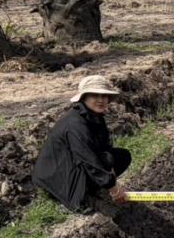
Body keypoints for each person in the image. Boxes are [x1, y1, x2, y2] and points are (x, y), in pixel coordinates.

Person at [33, 75, 132, 214]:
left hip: (74, 162)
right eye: (94, 95)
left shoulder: (95, 117)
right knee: (91, 172)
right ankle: (82, 197)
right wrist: (114, 189)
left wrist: (113, 180)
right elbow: (88, 159)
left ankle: (95, 186)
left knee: (121, 156)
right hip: (56, 175)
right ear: (84, 97)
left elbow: (104, 151)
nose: (100, 100)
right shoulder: (75, 125)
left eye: (104, 96)